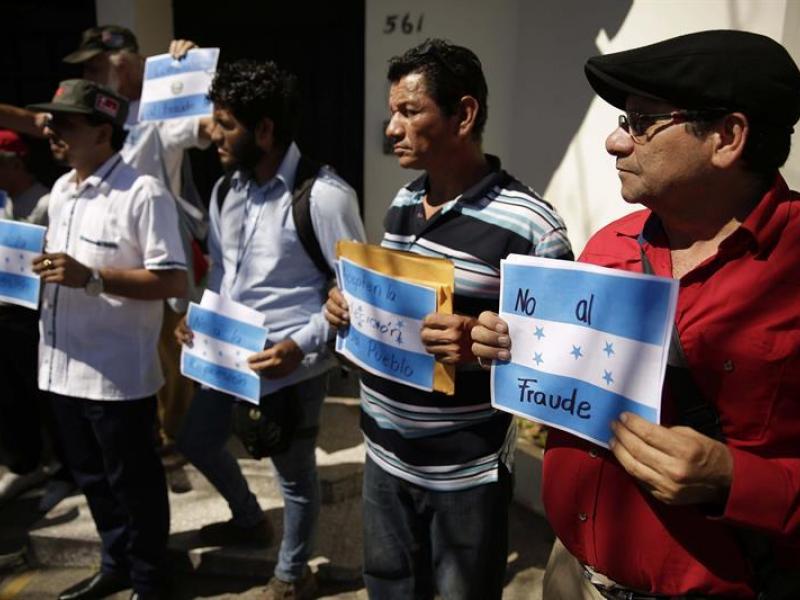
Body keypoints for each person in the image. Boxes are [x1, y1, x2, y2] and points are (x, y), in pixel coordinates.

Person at [472, 30, 800, 599]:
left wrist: (735, 480)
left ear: (727, 137)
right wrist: (508, 349)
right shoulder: (608, 246)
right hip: (572, 575)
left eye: (641, 121)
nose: (613, 142)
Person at [325, 39, 572, 599]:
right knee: (388, 587)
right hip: (384, 455)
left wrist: (484, 344)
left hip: (465, 472)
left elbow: (560, 356)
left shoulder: (533, 227)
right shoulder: (402, 203)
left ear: (463, 115)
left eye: (409, 111)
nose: (391, 129)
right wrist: (346, 309)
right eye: (393, 112)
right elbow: (386, 313)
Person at [174, 59, 365, 599]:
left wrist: (298, 347)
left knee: (295, 475)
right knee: (197, 439)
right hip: (225, 360)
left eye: (226, 124)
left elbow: (353, 293)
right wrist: (198, 322)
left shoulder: (325, 196)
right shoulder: (224, 191)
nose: (214, 135)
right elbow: (220, 270)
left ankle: (291, 573)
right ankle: (247, 517)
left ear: (264, 130)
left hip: (292, 368)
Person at [29, 79, 187, 600]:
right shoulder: (60, 192)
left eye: (66, 123)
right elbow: (56, 270)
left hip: (115, 375)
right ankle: (115, 563)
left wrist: (93, 277)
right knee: (93, 479)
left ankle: (149, 579)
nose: (52, 130)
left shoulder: (142, 192)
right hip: (61, 366)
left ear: (102, 132)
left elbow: (172, 282)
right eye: (52, 121)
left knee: (134, 485)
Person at [63, 26, 215, 458]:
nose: (90, 75)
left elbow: (207, 126)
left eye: (95, 65)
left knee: (171, 346)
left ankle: (177, 435)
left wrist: (200, 74)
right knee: (134, 342)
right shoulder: (98, 115)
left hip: (156, 249)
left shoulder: (161, 108)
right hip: (106, 250)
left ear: (125, 62)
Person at [0, 129, 52, 503]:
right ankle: (24, 463)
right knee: (10, 394)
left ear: (16, 162)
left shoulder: (48, 201)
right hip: (5, 312)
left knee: (43, 394)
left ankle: (62, 466)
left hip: (34, 314)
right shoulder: (3, 202)